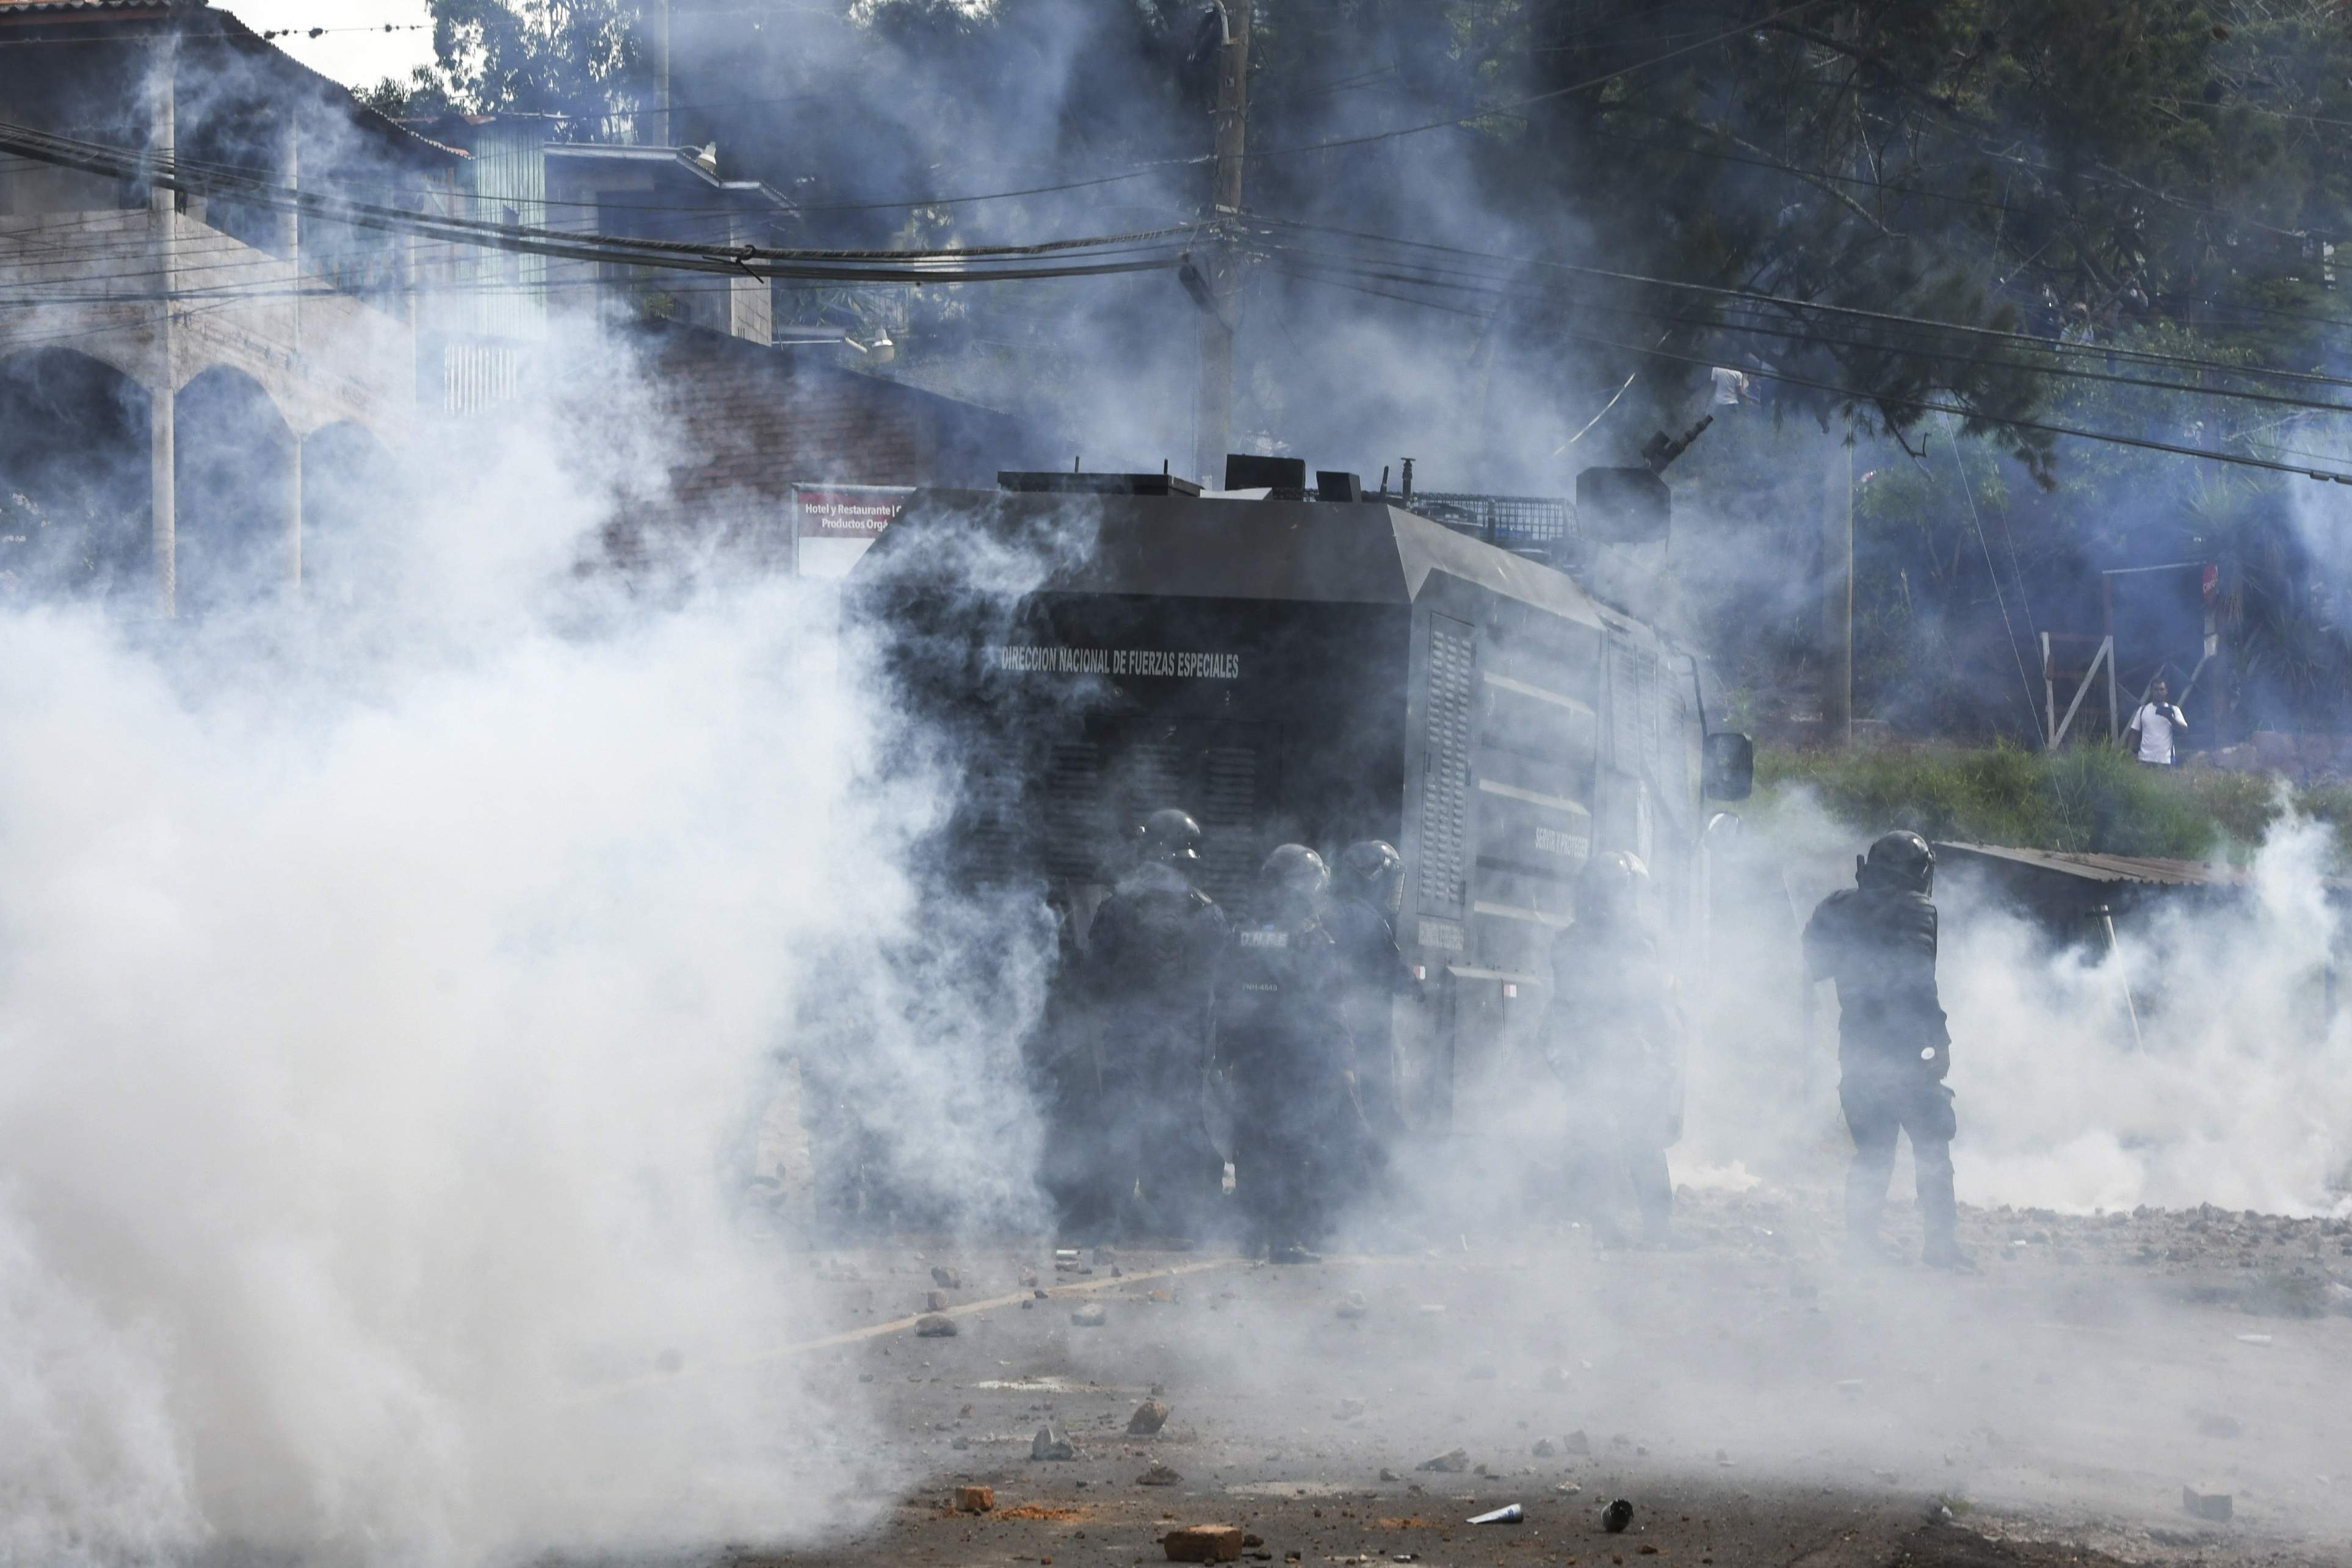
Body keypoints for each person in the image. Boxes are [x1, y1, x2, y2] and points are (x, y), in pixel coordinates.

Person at [1803, 831, 1970, 1270]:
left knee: (1872, 1154)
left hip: (1856, 1042)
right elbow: (1915, 978)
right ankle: (1939, 1245)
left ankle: (1859, 1246)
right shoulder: (1916, 908)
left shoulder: (1836, 906)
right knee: (1932, 1147)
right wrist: (1940, 1039)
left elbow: (1811, 967)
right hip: (1904, 1047)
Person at [1084, 808, 1229, 1243]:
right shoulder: (1209, 913)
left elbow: (1093, 977)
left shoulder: (1116, 907)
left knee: (1121, 1123)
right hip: (1183, 1039)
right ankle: (1181, 1223)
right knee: (1180, 1123)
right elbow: (1219, 983)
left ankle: (1106, 1221)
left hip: (1129, 1035)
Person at [1541, 852, 1689, 1249]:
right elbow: (1642, 997)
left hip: (1586, 1055)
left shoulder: (1569, 939)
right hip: (1624, 1056)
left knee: (1595, 1146)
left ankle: (1605, 1230)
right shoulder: (1629, 941)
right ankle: (1655, 1231)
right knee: (1640, 1144)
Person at [1216, 844, 1355, 1263]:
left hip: (1251, 1058)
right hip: (1298, 1059)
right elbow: (1327, 1003)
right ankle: (1285, 1239)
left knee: (1251, 1143)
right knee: (1295, 1145)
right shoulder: (1312, 938)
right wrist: (1340, 1057)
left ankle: (1250, 1235)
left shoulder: (1242, 933)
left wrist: (1227, 1052)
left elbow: (1223, 995)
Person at [2126, 679, 2188, 766]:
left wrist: (2170, 718)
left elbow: (2185, 731)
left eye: (2162, 689)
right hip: (2144, 760)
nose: (2159, 692)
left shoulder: (2174, 710)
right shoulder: (2143, 710)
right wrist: (2129, 752)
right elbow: (2135, 732)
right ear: (2151, 691)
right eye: (2156, 689)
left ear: (2166, 691)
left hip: (2166, 761)